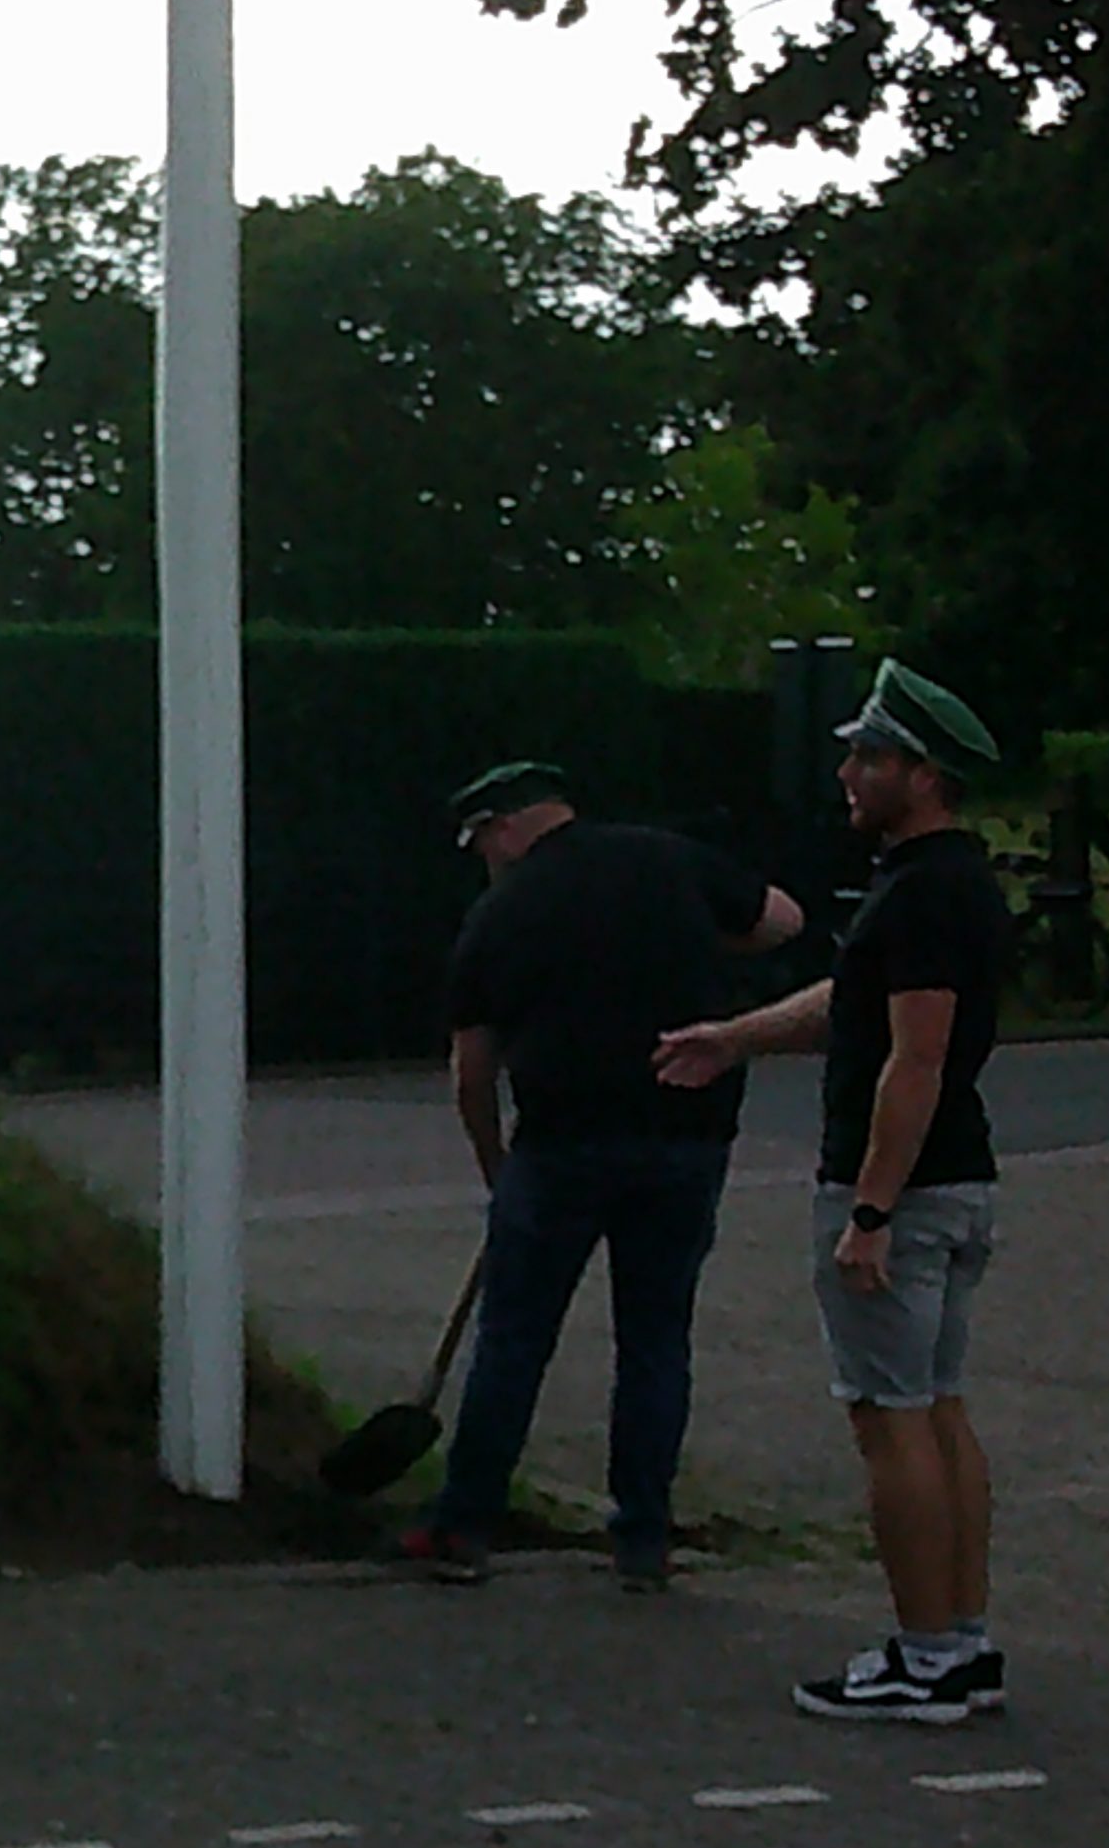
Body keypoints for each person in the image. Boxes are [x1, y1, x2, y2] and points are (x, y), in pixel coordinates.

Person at [652, 658, 1012, 1725]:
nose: (847, 775)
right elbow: (849, 1001)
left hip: (904, 1193)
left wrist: (870, 1211)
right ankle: (961, 1642)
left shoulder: (926, 893)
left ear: (925, 774)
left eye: (870, 758)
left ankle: (925, 1655)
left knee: (888, 1418)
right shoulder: (936, 882)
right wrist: (733, 1037)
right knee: (934, 1407)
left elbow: (915, 1058)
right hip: (955, 1182)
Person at [402, 758, 803, 1591]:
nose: (485, 860)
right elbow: (784, 921)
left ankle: (464, 1525)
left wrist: (496, 1168)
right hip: (686, 1138)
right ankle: (643, 1540)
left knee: (515, 1338)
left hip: (560, 1147)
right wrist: (707, 938)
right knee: (655, 1338)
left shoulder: (499, 914)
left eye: (482, 843)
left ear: (505, 827)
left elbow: (471, 1074)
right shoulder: (670, 858)